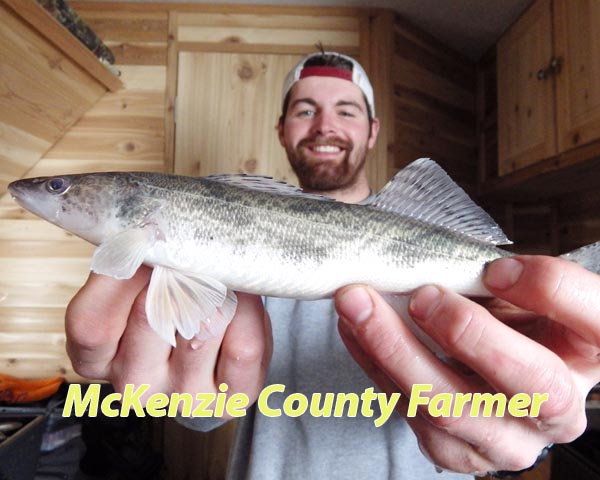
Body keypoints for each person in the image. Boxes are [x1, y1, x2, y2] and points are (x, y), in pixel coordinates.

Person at [65, 51, 600, 479]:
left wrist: (521, 441)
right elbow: (202, 406)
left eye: (346, 110)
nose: (325, 124)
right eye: (305, 110)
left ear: (371, 131)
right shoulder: (211, 248)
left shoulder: (474, 281)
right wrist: (188, 401)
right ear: (282, 131)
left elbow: (520, 411)